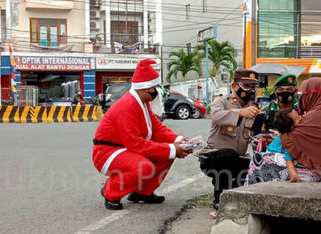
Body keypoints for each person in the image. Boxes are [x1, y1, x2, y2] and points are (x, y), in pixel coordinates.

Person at [92, 59, 190, 210]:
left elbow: (157, 129)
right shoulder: (127, 106)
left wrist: (179, 141)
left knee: (167, 155)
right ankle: (110, 191)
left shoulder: (141, 103)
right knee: (143, 167)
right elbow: (135, 143)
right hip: (107, 153)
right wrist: (172, 148)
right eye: (156, 87)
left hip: (125, 148)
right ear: (146, 89)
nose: (158, 91)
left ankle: (142, 193)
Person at [198, 69, 259, 212]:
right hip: (214, 158)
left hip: (238, 158)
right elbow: (216, 116)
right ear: (234, 86)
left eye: (253, 87)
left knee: (254, 164)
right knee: (228, 155)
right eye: (247, 86)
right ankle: (219, 197)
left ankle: (233, 195)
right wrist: (240, 113)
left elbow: (254, 137)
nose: (250, 90)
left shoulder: (254, 108)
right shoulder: (222, 102)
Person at [246, 77, 321, 185]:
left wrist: (283, 134)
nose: (285, 93)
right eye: (281, 90)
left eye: (289, 89)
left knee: (258, 160)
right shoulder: (268, 109)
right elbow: (257, 132)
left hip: (307, 165)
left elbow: (293, 140)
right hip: (280, 150)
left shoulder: (307, 115)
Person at [268, 108, 301, 182]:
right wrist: (294, 175)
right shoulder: (289, 140)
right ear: (292, 127)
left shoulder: (287, 134)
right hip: (273, 154)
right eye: (298, 118)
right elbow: (288, 159)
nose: (301, 117)